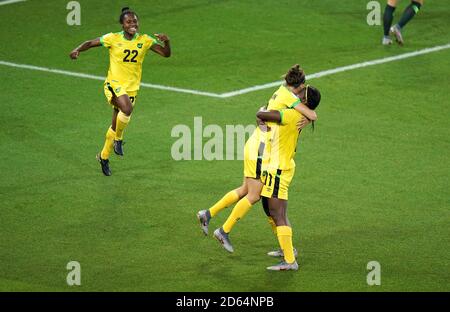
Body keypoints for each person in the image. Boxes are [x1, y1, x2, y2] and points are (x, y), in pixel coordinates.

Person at [197, 65, 317, 253]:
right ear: (300, 86)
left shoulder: (282, 93)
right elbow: (310, 112)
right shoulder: (290, 99)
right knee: (255, 195)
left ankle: (208, 214)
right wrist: (311, 117)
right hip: (261, 149)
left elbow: (267, 112)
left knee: (246, 189)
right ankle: (224, 231)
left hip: (257, 144)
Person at [69, 7, 171, 176]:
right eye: (129, 22)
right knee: (127, 109)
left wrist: (167, 42)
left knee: (116, 123)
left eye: (135, 21)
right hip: (113, 84)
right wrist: (77, 49)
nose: (133, 24)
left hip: (132, 88)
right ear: (122, 25)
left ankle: (104, 156)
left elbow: (166, 54)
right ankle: (119, 140)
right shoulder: (113, 38)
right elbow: (91, 43)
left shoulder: (145, 40)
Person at [257, 85, 321, 271]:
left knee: (278, 213)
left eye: (300, 93)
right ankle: (287, 247)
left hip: (279, 169)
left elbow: (261, 114)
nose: (296, 94)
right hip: (276, 166)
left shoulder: (292, 115)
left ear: (304, 101)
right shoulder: (297, 114)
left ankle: (290, 260)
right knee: (269, 210)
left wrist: (262, 110)